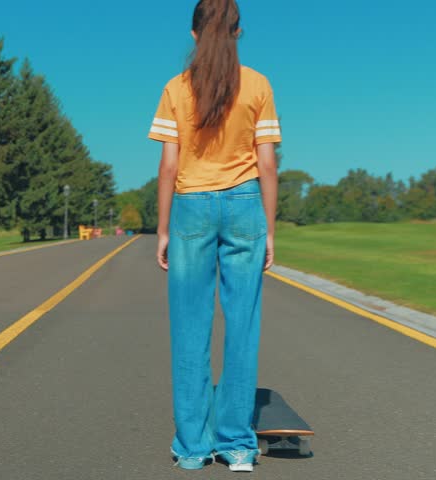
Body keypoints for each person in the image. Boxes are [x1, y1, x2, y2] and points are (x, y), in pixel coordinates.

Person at [147, 0, 281, 472]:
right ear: (239, 32)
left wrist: (163, 229)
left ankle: (193, 448)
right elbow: (267, 163)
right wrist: (269, 228)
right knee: (243, 325)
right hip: (246, 206)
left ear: (193, 34)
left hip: (191, 208)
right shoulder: (259, 85)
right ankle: (238, 446)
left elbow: (168, 165)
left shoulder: (176, 88)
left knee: (190, 328)